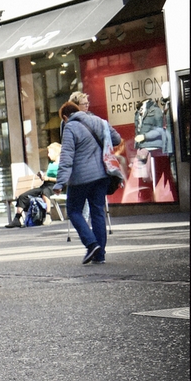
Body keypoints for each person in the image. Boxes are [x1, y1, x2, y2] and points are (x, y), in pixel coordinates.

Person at [53, 101, 121, 264]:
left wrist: (60, 182)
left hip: (81, 178)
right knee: (97, 211)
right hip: (102, 175)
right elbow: (117, 139)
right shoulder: (99, 121)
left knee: (73, 210)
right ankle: (100, 255)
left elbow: (66, 156)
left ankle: (91, 244)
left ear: (64, 117)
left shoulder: (70, 127)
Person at [6, 142, 61, 228]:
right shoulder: (51, 164)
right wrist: (42, 176)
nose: (48, 155)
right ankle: (17, 219)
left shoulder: (62, 165)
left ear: (57, 153)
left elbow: (62, 179)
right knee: (23, 196)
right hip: (45, 185)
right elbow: (47, 176)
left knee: (45, 191)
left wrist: (48, 178)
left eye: (50, 152)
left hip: (56, 186)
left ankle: (48, 215)